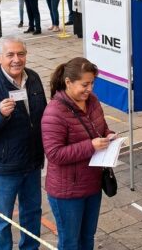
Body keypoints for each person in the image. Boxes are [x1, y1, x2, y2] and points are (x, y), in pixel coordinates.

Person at [0, 36, 46, 249]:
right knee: (2, 219)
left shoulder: (33, 77)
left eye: (21, 54)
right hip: (4, 168)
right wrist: (0, 114)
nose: (16, 59)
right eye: (10, 55)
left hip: (32, 162)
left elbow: (41, 115)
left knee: (32, 213)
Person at [42, 57, 112, 249]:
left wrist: (109, 136)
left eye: (92, 83)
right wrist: (91, 146)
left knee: (88, 236)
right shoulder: (54, 112)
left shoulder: (92, 101)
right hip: (67, 191)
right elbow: (54, 154)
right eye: (85, 84)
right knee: (70, 241)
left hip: (92, 183)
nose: (89, 89)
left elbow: (101, 128)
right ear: (68, 82)